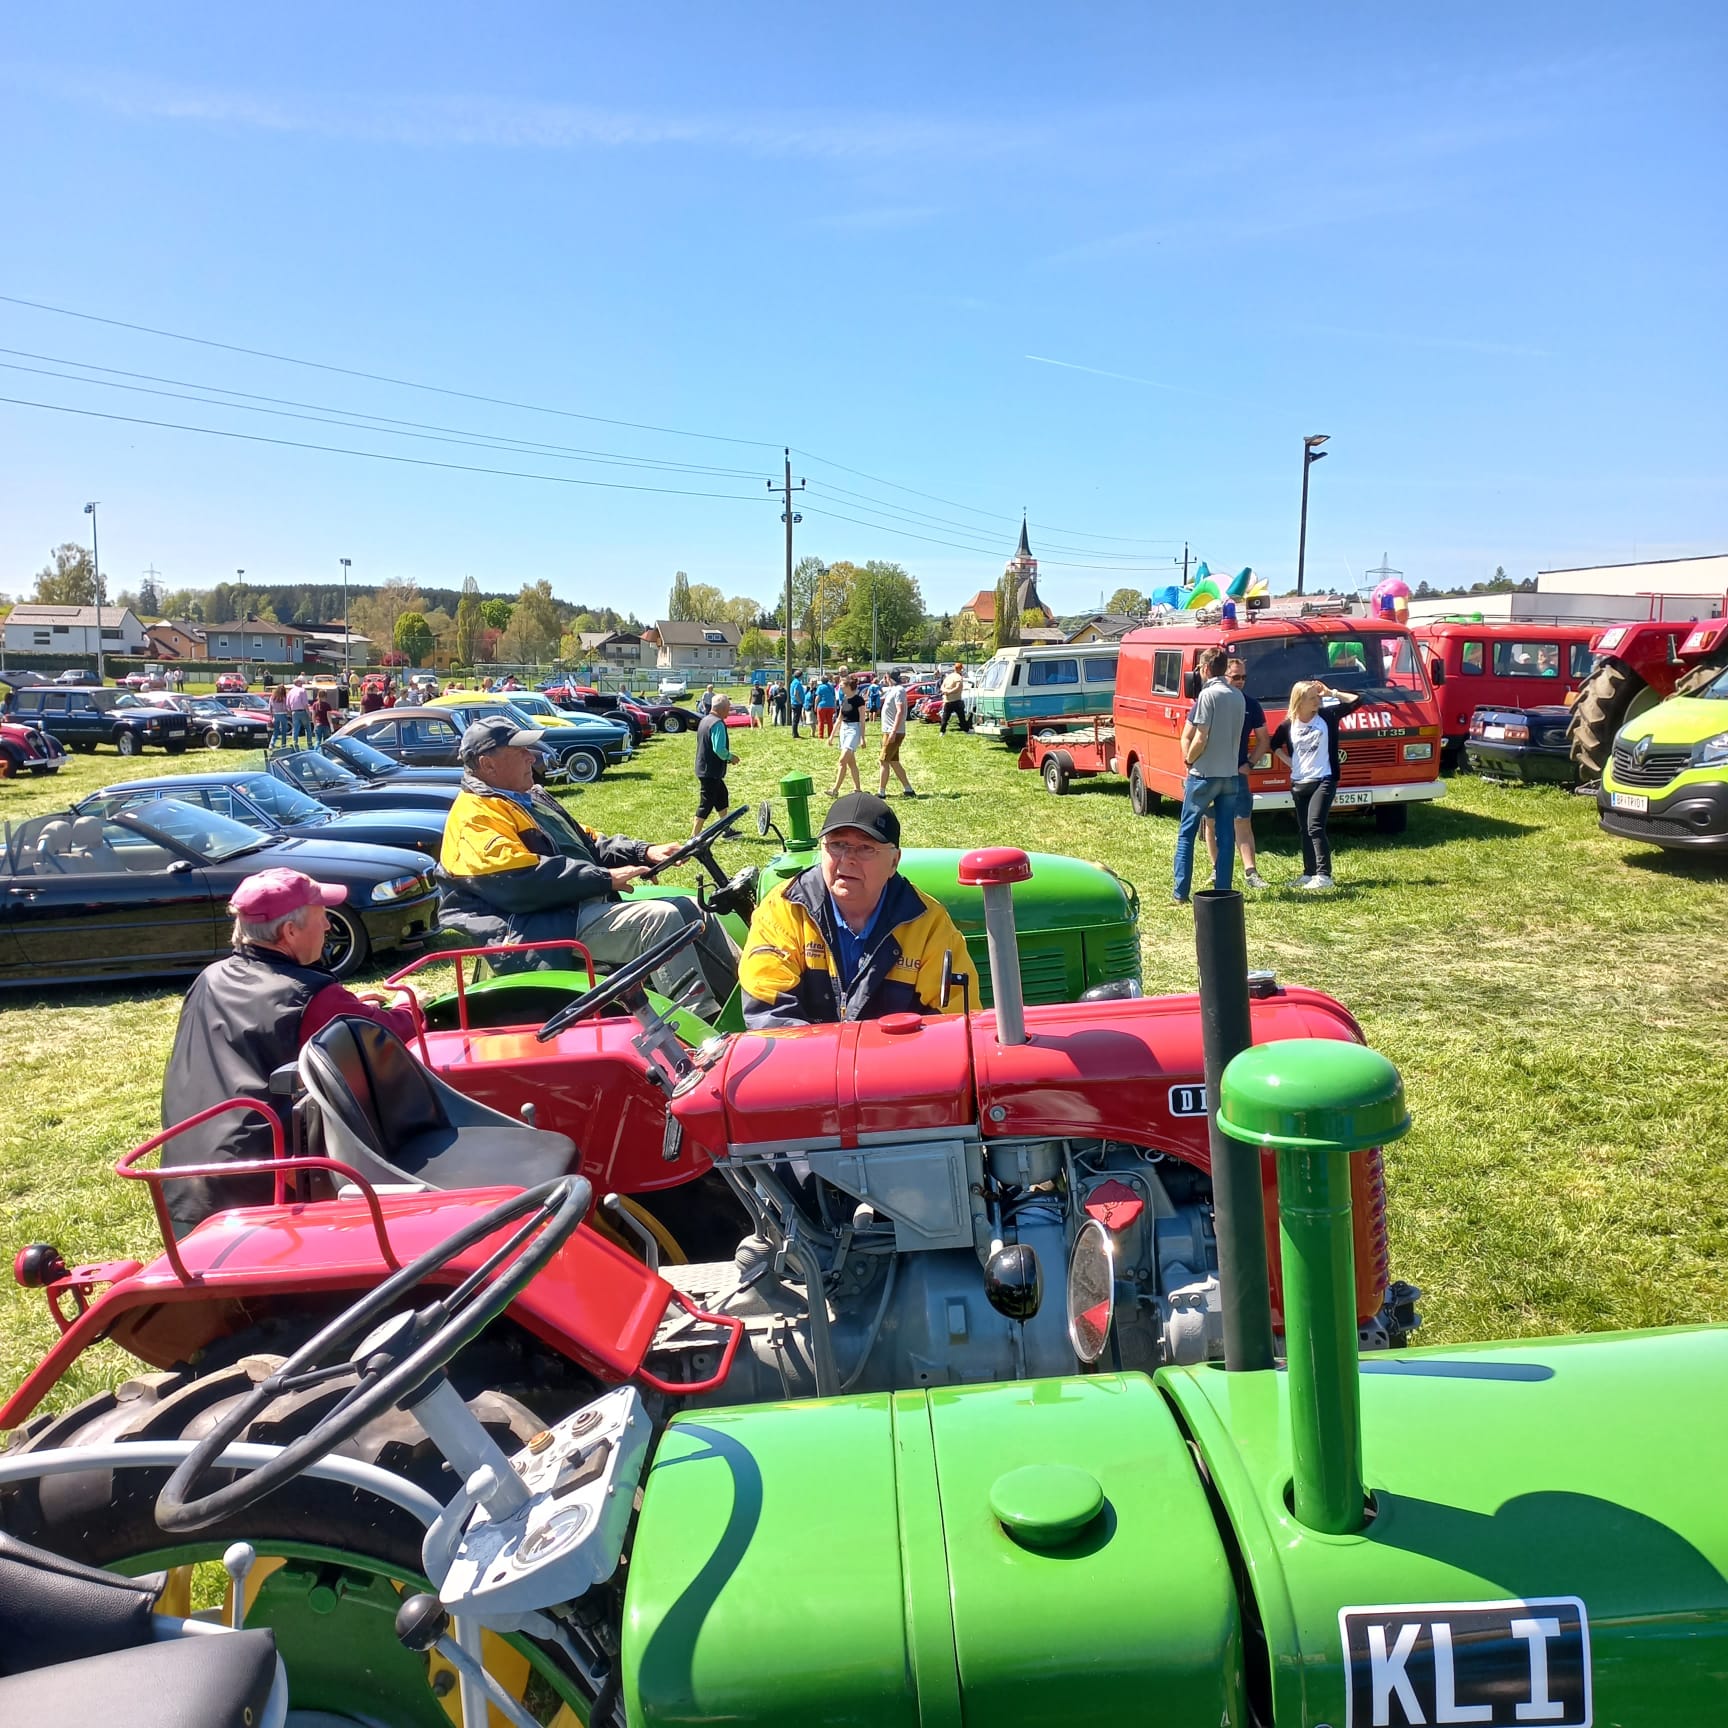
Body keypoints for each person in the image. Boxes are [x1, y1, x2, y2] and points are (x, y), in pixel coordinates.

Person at [159, 869, 419, 1236]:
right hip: (264, 1192)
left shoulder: (210, 978)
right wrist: (411, 1005)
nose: (328, 925)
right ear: (290, 932)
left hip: (184, 1176)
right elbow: (386, 1035)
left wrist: (342, 1006)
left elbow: (267, 1018)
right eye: (321, 916)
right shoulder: (311, 996)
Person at [438, 716, 735, 1014]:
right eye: (520, 752)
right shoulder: (474, 817)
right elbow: (521, 880)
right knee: (659, 919)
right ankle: (699, 1022)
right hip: (534, 928)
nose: (532, 757)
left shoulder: (528, 800)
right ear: (488, 764)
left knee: (692, 909)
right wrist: (603, 878)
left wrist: (645, 852)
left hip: (568, 910)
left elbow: (590, 843)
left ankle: (744, 1000)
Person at [739, 792, 972, 1028]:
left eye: (865, 848)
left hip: (897, 1053)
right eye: (837, 845)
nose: (848, 858)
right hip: (806, 1052)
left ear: (894, 861)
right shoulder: (784, 910)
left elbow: (953, 1024)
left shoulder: (928, 924)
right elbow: (769, 1014)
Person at [1268, 680, 1366, 891]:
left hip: (1324, 779)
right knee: (1305, 829)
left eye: (1318, 697)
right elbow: (1274, 744)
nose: (1317, 701)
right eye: (1312, 698)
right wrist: (1290, 762)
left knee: (1315, 826)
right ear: (1299, 701)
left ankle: (1324, 875)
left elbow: (1357, 701)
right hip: (1300, 782)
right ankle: (1309, 873)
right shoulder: (1288, 725)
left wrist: (1331, 692)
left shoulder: (1327, 716)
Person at [1172, 646, 1247, 905]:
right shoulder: (1238, 696)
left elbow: (1201, 736)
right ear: (1224, 668)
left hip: (1204, 774)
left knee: (1187, 833)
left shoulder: (1207, 695)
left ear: (1205, 669)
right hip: (1230, 774)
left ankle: (1180, 892)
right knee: (1226, 835)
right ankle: (1223, 890)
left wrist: (1189, 758)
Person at [1204, 657, 1268, 890]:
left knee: (1242, 820)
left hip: (1237, 772)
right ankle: (1217, 869)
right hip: (1211, 772)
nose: (1241, 681)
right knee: (1211, 821)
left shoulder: (1251, 705)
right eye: (1236, 677)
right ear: (1224, 676)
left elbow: (1264, 740)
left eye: (1244, 677)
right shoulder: (1210, 700)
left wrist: (1249, 764)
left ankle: (1251, 872)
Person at [693, 693, 735, 836]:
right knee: (706, 805)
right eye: (728, 708)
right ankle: (693, 837)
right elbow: (719, 749)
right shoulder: (717, 724)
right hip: (710, 770)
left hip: (705, 768)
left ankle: (726, 829)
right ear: (721, 709)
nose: (729, 710)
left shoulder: (705, 720)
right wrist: (731, 757)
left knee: (721, 796)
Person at [876, 669, 918, 798]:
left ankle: (881, 792)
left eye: (885, 677)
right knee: (893, 761)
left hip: (893, 732)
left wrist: (893, 732)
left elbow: (900, 711)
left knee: (883, 761)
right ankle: (908, 789)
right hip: (889, 731)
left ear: (889, 677)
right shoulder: (893, 690)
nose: (884, 680)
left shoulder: (899, 690)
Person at [828, 675, 865, 796]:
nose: (840, 687)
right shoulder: (844, 699)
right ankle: (857, 789)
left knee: (842, 760)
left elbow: (862, 720)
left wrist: (862, 738)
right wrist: (832, 736)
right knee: (851, 763)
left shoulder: (859, 700)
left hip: (854, 730)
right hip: (844, 730)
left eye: (842, 685)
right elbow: (839, 719)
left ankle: (835, 790)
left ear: (848, 686)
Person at [939, 662, 969, 734]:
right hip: (956, 700)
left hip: (947, 700)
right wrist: (950, 692)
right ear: (960, 669)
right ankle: (966, 730)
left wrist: (945, 691)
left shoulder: (949, 676)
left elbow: (942, 686)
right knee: (961, 717)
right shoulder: (958, 677)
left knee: (945, 717)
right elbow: (958, 687)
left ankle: (942, 732)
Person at [286, 675, 312, 745]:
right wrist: (309, 713)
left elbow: (287, 704)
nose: (302, 684)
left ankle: (295, 743)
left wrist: (290, 712)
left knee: (295, 729)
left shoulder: (290, 692)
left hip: (294, 712)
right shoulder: (302, 690)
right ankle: (309, 743)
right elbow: (305, 703)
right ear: (297, 683)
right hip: (302, 711)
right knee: (308, 728)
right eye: (301, 683)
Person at [813, 673, 838, 740]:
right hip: (830, 706)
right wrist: (834, 706)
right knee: (830, 721)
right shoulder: (831, 687)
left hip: (822, 706)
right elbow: (834, 697)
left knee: (821, 721)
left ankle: (821, 735)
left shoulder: (820, 687)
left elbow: (817, 697)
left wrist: (815, 706)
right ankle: (830, 734)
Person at [267, 680, 289, 748]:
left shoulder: (272, 697)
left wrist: (271, 715)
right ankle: (283, 745)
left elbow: (270, 707)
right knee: (284, 730)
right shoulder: (284, 697)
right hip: (283, 714)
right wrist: (289, 712)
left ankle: (271, 743)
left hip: (275, 714)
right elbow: (285, 707)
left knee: (276, 730)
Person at [788, 670, 806, 738]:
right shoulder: (797, 683)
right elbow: (796, 693)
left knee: (795, 719)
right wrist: (800, 701)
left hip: (794, 702)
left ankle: (795, 733)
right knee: (796, 719)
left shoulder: (793, 682)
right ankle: (795, 734)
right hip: (797, 703)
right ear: (800, 676)